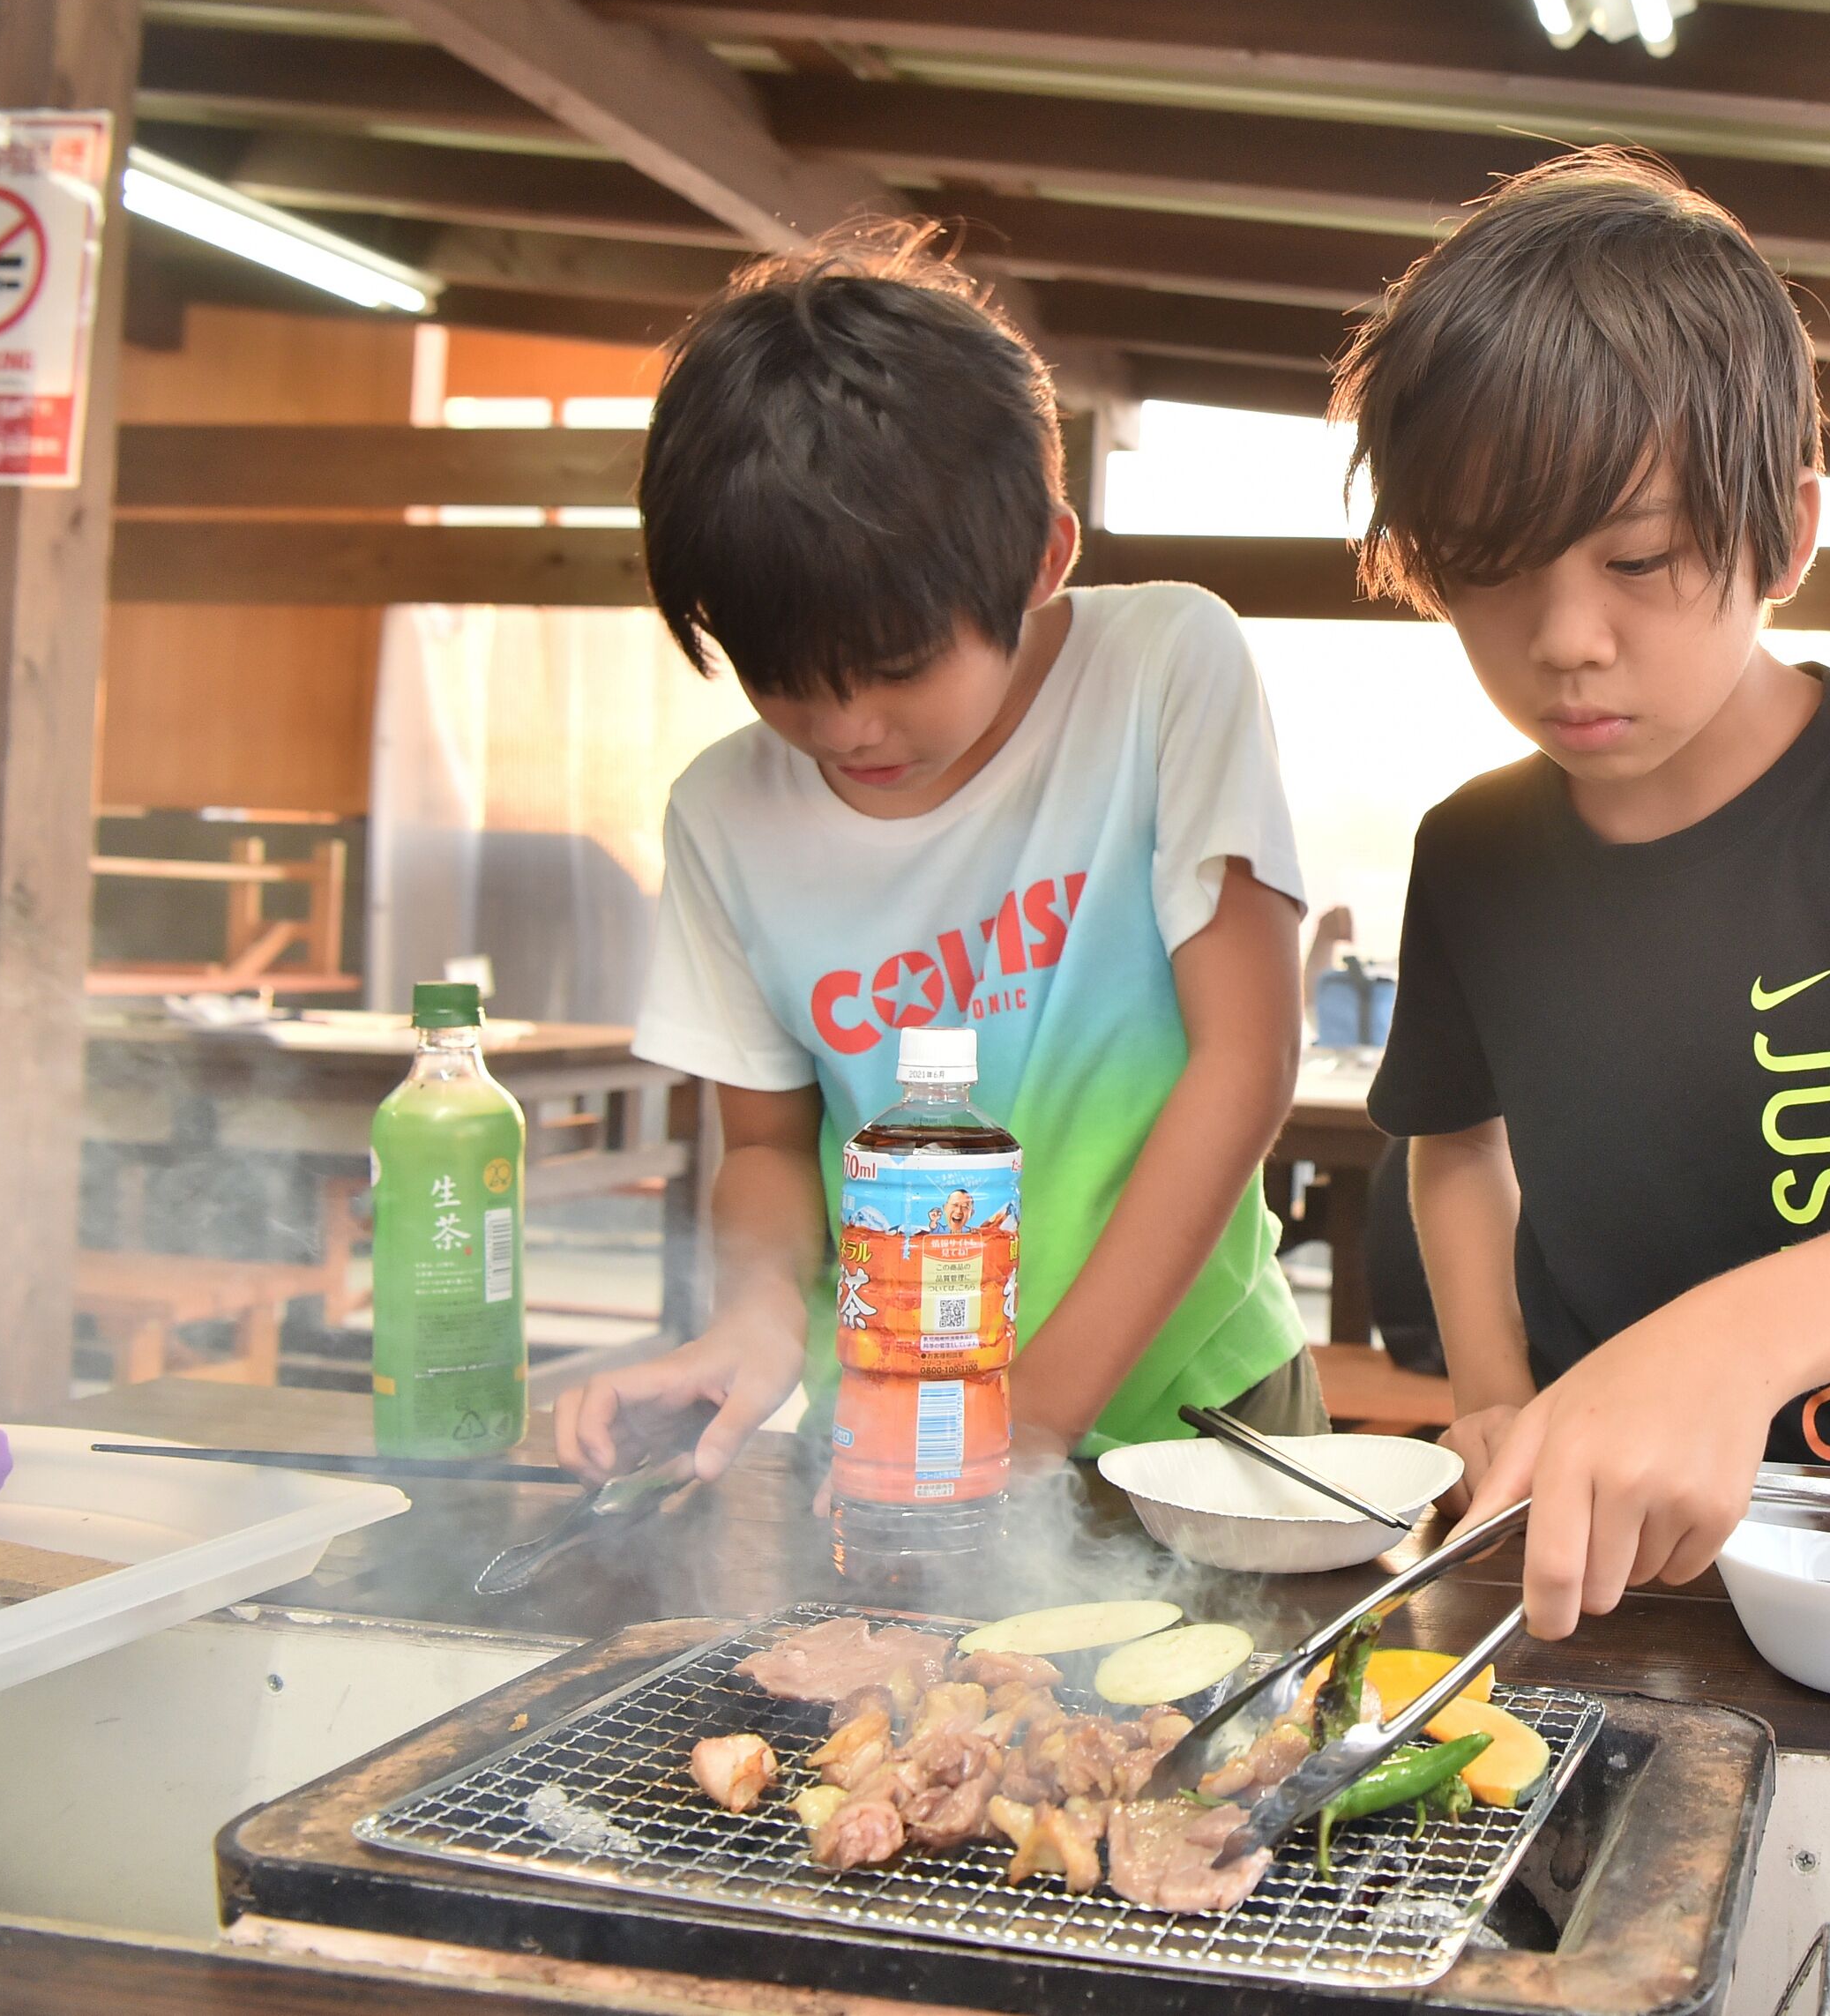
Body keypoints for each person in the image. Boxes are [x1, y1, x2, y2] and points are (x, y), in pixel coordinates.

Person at [1349, 149, 1830, 1638]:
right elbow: (1451, 1144)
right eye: (1490, 571)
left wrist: (1723, 1350)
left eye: (1637, 556)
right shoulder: (1475, 852)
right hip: (1606, 1562)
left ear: (1785, 531)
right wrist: (1496, 1401)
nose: (1567, 638)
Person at [552, 227, 1320, 1489]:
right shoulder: (724, 812)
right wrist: (752, 1321)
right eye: (784, 683)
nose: (848, 727)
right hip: (890, 1422)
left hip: (1202, 1405)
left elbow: (1247, 1060)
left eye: (900, 669)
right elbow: (761, 1148)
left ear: (1043, 560)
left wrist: (1032, 1416)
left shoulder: (1164, 670)